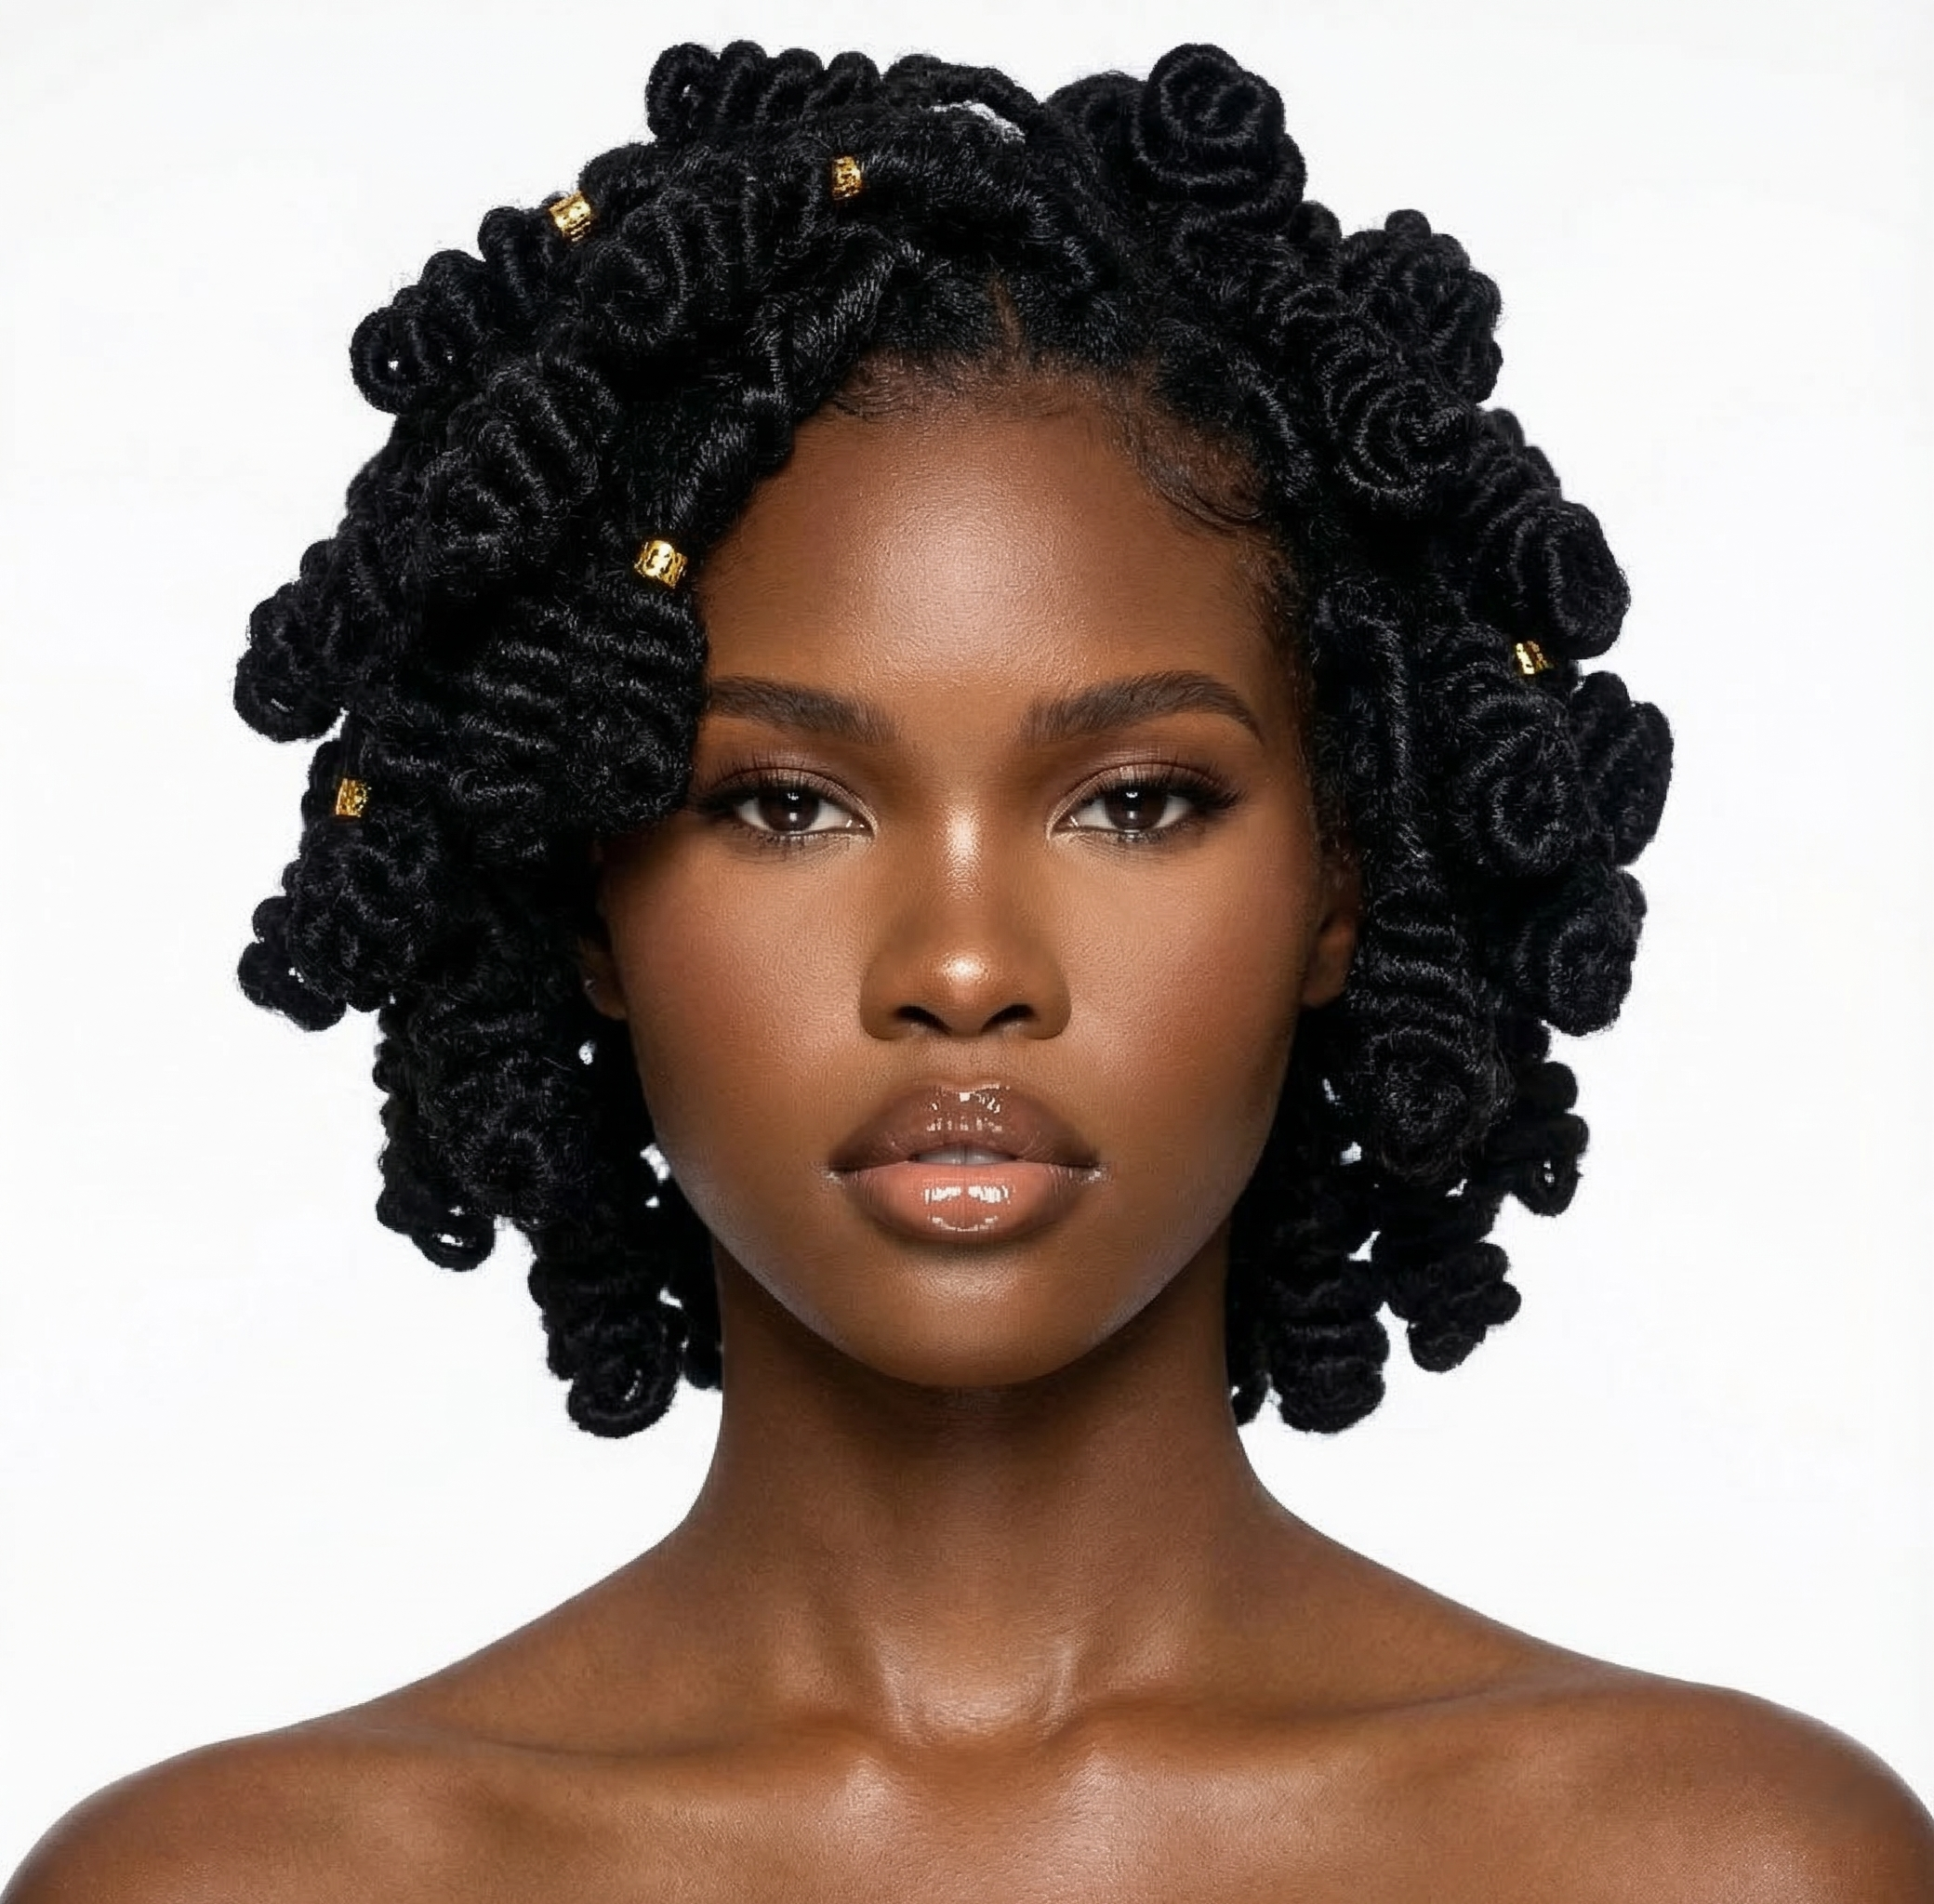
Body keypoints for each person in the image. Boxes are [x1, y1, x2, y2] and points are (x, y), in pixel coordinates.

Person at [7, 37, 1929, 1901]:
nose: (958, 967)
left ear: (1349, 880)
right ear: (584, 888)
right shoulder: (229, 1885)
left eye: (1135, 801)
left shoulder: (1711, 1866)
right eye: (777, 808)